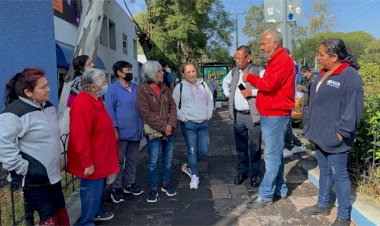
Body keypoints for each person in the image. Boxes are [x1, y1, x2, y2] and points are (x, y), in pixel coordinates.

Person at [300, 38, 364, 226]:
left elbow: (353, 107)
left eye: (321, 54)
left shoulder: (349, 75)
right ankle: (322, 204)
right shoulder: (322, 74)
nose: (318, 58)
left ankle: (344, 215)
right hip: (320, 134)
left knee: (340, 175)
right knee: (325, 171)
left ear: (334, 56)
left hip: (336, 137)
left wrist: (342, 132)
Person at [0, 68, 70, 225]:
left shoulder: (48, 106)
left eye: (47, 85)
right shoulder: (13, 114)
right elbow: (4, 146)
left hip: (52, 175)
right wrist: (23, 168)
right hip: (33, 179)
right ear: (28, 92)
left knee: (61, 211)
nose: (49, 89)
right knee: (49, 218)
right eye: (43, 87)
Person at [242, 29, 295, 208]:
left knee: (271, 157)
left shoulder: (282, 60)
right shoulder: (277, 60)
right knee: (276, 155)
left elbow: (269, 84)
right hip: (272, 114)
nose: (261, 47)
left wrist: (250, 77)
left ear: (275, 43)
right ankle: (280, 189)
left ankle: (265, 195)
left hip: (275, 115)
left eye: (264, 43)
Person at [67, 68, 119, 225]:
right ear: (92, 86)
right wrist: (87, 162)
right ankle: (87, 221)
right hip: (92, 159)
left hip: (100, 156)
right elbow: (80, 135)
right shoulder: (82, 102)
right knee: (91, 191)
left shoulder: (95, 99)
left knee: (97, 191)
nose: (106, 85)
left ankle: (96, 213)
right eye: (103, 82)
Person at [136, 61, 177, 203]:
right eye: (159, 71)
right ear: (152, 73)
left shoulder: (164, 87)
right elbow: (146, 114)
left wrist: (170, 125)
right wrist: (164, 126)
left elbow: (173, 106)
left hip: (169, 131)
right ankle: (153, 189)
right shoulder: (142, 90)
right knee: (152, 162)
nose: (162, 73)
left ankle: (166, 184)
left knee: (168, 160)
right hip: (154, 133)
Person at [222, 45, 262, 188]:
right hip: (238, 115)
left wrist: (253, 92)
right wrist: (228, 95)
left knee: (255, 146)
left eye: (240, 58)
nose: (237, 61)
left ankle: (255, 174)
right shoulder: (234, 72)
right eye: (236, 58)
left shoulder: (258, 70)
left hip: (253, 115)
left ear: (248, 58)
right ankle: (243, 171)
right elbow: (224, 83)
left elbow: (267, 87)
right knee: (240, 146)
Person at [105, 61, 144, 203]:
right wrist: (114, 129)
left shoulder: (136, 88)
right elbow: (109, 111)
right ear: (119, 72)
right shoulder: (112, 89)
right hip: (121, 133)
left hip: (136, 131)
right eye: (127, 69)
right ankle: (116, 188)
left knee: (133, 160)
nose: (130, 72)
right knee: (119, 162)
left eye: (131, 69)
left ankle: (129, 183)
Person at [172, 62, 213, 189]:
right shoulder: (179, 87)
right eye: (188, 72)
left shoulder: (203, 84)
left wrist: (209, 113)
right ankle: (194, 175)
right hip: (189, 124)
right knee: (192, 150)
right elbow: (173, 105)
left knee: (204, 150)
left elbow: (210, 100)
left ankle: (189, 166)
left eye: (193, 71)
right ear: (183, 74)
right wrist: (182, 118)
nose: (191, 74)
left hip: (203, 123)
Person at [298, 65, 316, 135]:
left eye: (303, 74)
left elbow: (311, 90)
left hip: (309, 103)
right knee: (304, 119)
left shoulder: (313, 80)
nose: (303, 76)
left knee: (307, 119)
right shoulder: (308, 79)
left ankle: (307, 133)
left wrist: (302, 88)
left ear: (307, 72)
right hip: (306, 102)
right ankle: (305, 132)